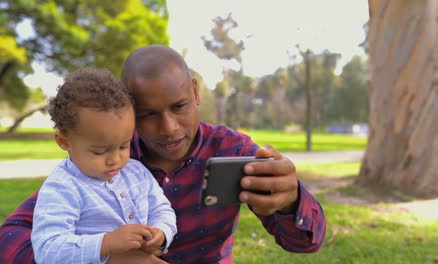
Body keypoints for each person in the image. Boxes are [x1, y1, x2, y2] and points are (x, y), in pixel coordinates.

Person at [0, 45, 326, 264]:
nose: (169, 128)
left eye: (179, 106)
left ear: (195, 92)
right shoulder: (101, 164)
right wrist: (109, 258)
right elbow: (10, 238)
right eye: (148, 114)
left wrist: (291, 200)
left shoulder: (233, 152)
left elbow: (304, 243)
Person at [30, 68, 177, 264]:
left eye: (124, 146)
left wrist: (161, 233)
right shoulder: (63, 187)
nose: (115, 159)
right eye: (99, 151)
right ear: (64, 142)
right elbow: (47, 251)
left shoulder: (136, 172)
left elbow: (162, 209)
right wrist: (105, 243)